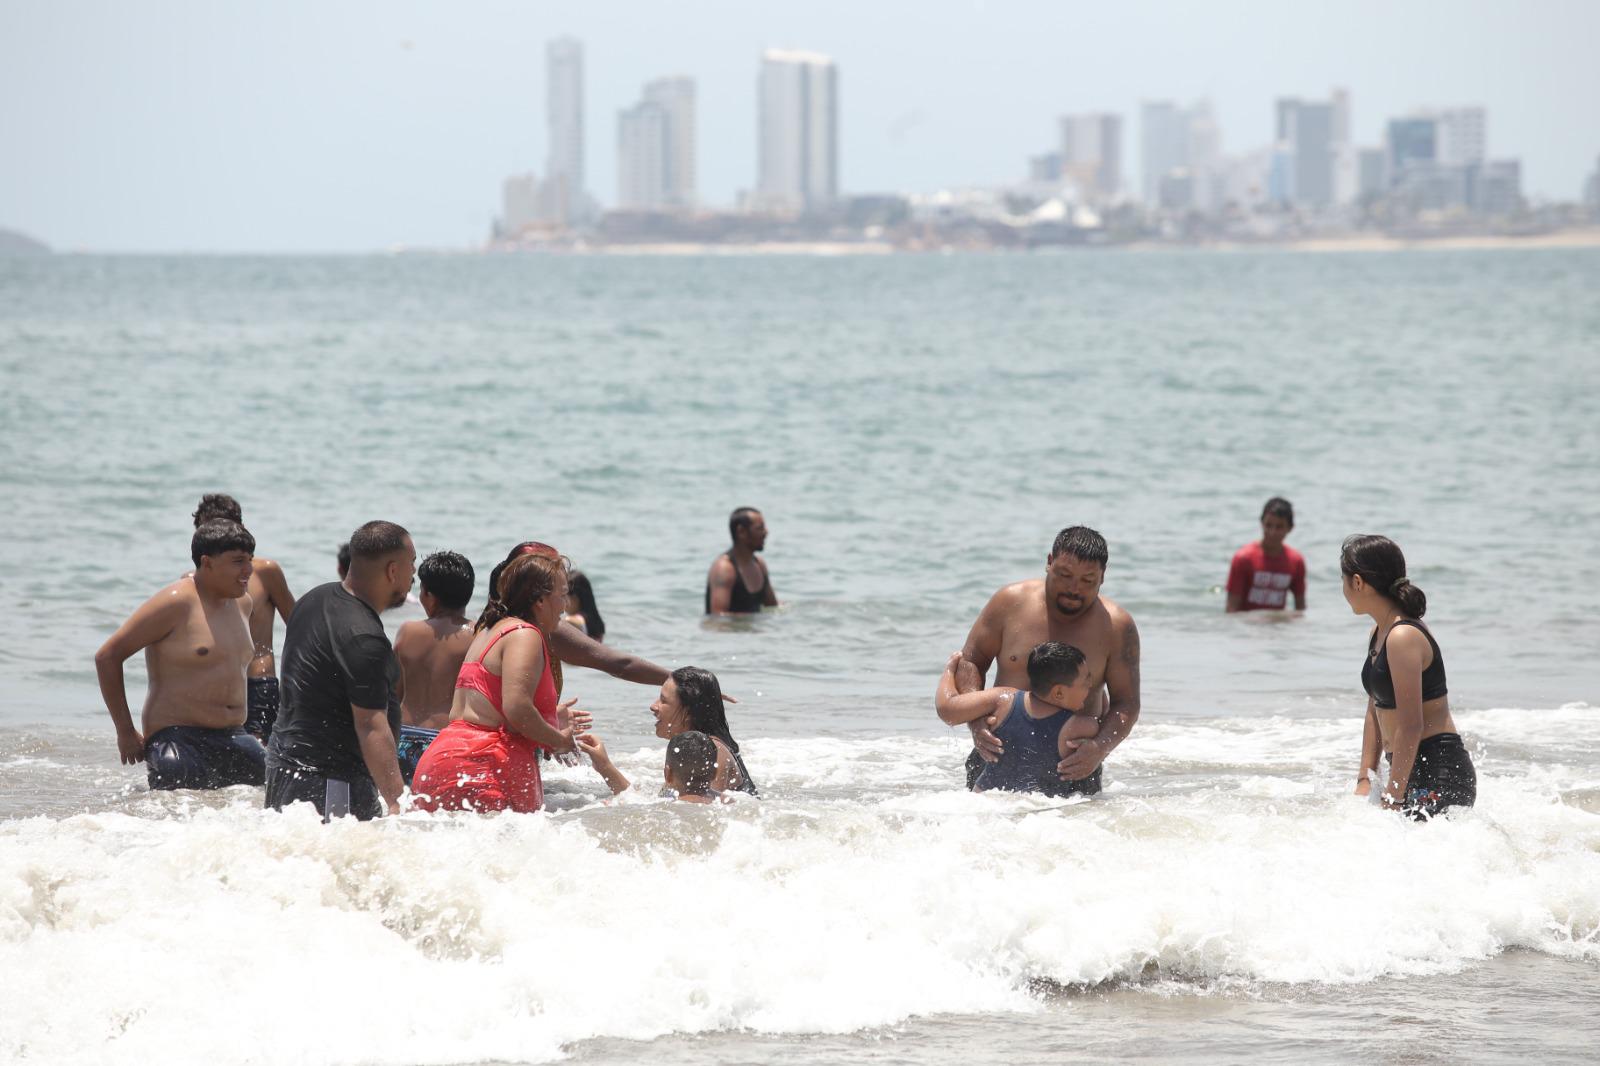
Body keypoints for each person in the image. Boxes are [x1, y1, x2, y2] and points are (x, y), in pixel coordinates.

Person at [938, 526, 1140, 796]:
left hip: (1075, 767)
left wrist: (1100, 747)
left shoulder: (1116, 626)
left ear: (1103, 576)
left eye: (1087, 580)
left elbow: (1126, 702)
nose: (1074, 589)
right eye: (1065, 575)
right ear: (1049, 563)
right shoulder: (1009, 602)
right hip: (995, 755)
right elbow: (973, 661)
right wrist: (976, 722)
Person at [95, 519, 267, 790]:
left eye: (250, 560)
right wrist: (125, 731)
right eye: (238, 561)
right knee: (179, 811)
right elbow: (107, 656)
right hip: (178, 738)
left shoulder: (243, 603)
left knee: (275, 794)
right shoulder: (176, 602)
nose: (249, 570)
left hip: (234, 735)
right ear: (207, 562)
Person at [264, 521, 414, 821]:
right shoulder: (364, 636)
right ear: (392, 571)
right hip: (330, 781)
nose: (415, 576)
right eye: (412, 565)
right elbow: (371, 725)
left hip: (284, 769)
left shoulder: (312, 600)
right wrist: (399, 804)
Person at [411, 553, 579, 814]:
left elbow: (484, 709)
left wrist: (550, 719)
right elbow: (517, 709)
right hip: (483, 768)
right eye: (563, 594)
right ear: (541, 600)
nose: (565, 605)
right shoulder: (524, 634)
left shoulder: (489, 630)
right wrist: (559, 740)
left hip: (442, 762)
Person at [1341, 534, 1475, 819]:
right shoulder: (1379, 634)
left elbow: (1411, 724)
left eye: (1343, 581)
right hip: (1407, 767)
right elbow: (1374, 711)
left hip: (1440, 771)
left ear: (1357, 582)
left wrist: (1394, 793)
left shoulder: (1403, 636)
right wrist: (1365, 778)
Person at [488, 542, 719, 695]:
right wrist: (685, 682)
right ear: (537, 592)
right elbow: (619, 664)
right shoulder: (541, 629)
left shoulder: (484, 626)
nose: (564, 601)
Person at [190, 494, 297, 740]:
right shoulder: (190, 582)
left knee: (258, 763)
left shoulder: (265, 572)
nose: (218, 536)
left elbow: (298, 624)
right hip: (214, 688)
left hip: (258, 681)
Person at [935, 642, 1098, 795]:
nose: (1090, 686)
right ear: (1059, 693)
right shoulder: (1081, 727)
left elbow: (947, 710)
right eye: (1085, 682)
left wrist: (949, 672)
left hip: (984, 801)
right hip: (1039, 810)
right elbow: (1105, 723)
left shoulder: (1002, 699)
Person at [576, 665, 757, 796]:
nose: (653, 706)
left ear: (687, 713)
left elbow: (701, 814)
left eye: (663, 700)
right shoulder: (696, 749)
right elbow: (659, 804)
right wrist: (604, 766)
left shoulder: (714, 753)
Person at [393, 550, 475, 784]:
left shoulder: (408, 631)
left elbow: (392, 694)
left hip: (404, 737)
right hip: (446, 742)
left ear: (428, 594)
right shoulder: (478, 635)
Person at [1226, 497, 1307, 612]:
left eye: (1279, 527)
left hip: (1279, 627)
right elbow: (1231, 609)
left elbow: (1300, 608)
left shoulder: (1296, 561)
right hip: (1246, 627)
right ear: (1261, 523)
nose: (1272, 532)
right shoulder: (1243, 558)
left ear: (1290, 528)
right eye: (1268, 525)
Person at [705, 507, 778, 614]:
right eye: (760, 528)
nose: (766, 533)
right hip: (729, 631)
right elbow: (718, 616)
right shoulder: (725, 569)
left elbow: (772, 607)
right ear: (741, 532)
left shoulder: (760, 565)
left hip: (752, 629)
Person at [563, 569, 606, 641]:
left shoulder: (570, 621)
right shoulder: (595, 622)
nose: (562, 601)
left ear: (575, 597)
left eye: (564, 595)